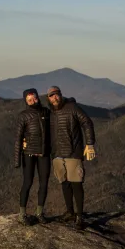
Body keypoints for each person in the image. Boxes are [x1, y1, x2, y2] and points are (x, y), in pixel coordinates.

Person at [47, 85, 96, 229]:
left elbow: (87, 123)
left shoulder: (72, 108)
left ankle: (80, 216)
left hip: (73, 152)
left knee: (76, 184)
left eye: (56, 94)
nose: (55, 97)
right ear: (48, 98)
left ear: (61, 95)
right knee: (64, 183)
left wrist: (90, 143)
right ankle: (70, 212)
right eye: (51, 95)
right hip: (57, 154)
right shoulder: (50, 113)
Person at [14, 88, 51, 225]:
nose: (33, 101)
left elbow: (52, 132)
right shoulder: (23, 116)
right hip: (28, 153)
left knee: (44, 183)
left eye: (34, 98)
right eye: (29, 100)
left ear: (38, 97)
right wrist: (17, 159)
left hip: (44, 153)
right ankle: (22, 214)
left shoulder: (46, 112)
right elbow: (18, 138)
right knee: (27, 183)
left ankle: (39, 213)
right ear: (26, 101)